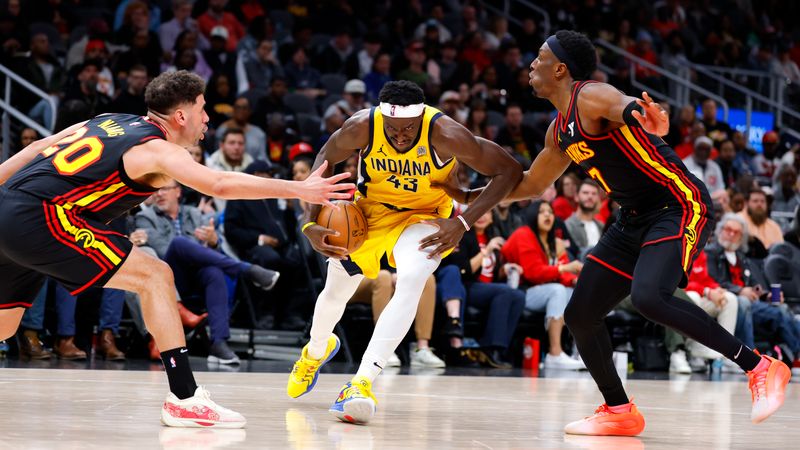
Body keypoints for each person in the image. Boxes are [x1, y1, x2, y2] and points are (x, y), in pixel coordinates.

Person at [440, 31, 790, 436]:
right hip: (632, 218)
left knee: (648, 296)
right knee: (580, 315)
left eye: (538, 58)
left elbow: (622, 104)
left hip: (677, 204)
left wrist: (645, 114)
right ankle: (619, 409)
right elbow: (530, 186)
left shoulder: (589, 96)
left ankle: (761, 367)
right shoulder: (558, 132)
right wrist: (466, 195)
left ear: (560, 68)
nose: (530, 65)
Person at [0, 70, 354, 428]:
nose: (207, 118)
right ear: (181, 115)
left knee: (5, 324)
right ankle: (184, 397)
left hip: (8, 206)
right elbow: (218, 182)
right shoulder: (156, 149)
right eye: (202, 108)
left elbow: (33, 149)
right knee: (155, 276)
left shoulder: (110, 120)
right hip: (43, 217)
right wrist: (299, 189)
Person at [286, 80, 522, 424]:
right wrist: (309, 224)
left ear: (421, 118)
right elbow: (325, 157)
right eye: (392, 129)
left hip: (425, 217)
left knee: (412, 278)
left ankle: (361, 383)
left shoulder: (446, 132)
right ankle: (316, 350)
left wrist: (464, 221)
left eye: (407, 129)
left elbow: (510, 170)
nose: (399, 136)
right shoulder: (362, 126)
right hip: (369, 214)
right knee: (336, 292)